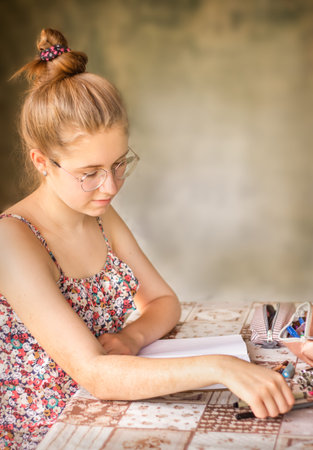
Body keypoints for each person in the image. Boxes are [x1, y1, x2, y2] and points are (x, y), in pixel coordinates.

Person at [0, 28, 294, 448]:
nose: (110, 186)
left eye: (120, 164)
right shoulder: (12, 240)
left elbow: (162, 301)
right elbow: (95, 373)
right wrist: (222, 366)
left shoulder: (99, 213)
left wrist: (131, 337)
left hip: (107, 404)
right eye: (89, 173)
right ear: (42, 162)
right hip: (50, 431)